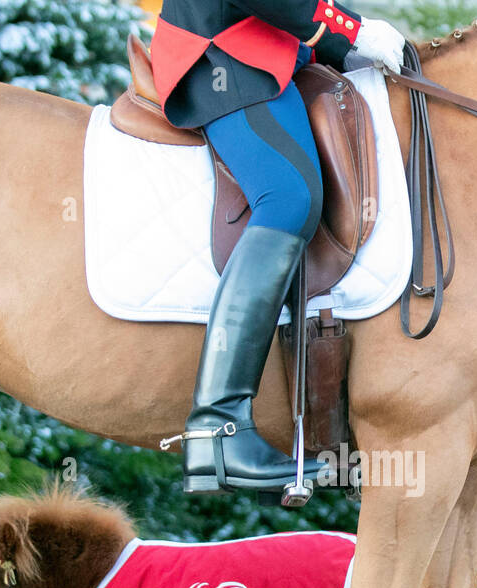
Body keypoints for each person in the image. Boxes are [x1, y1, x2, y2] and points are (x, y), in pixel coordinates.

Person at [150, 2, 406, 494]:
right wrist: (350, 32)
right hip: (222, 53)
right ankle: (217, 426)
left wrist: (341, 43)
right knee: (288, 195)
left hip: (271, 47)